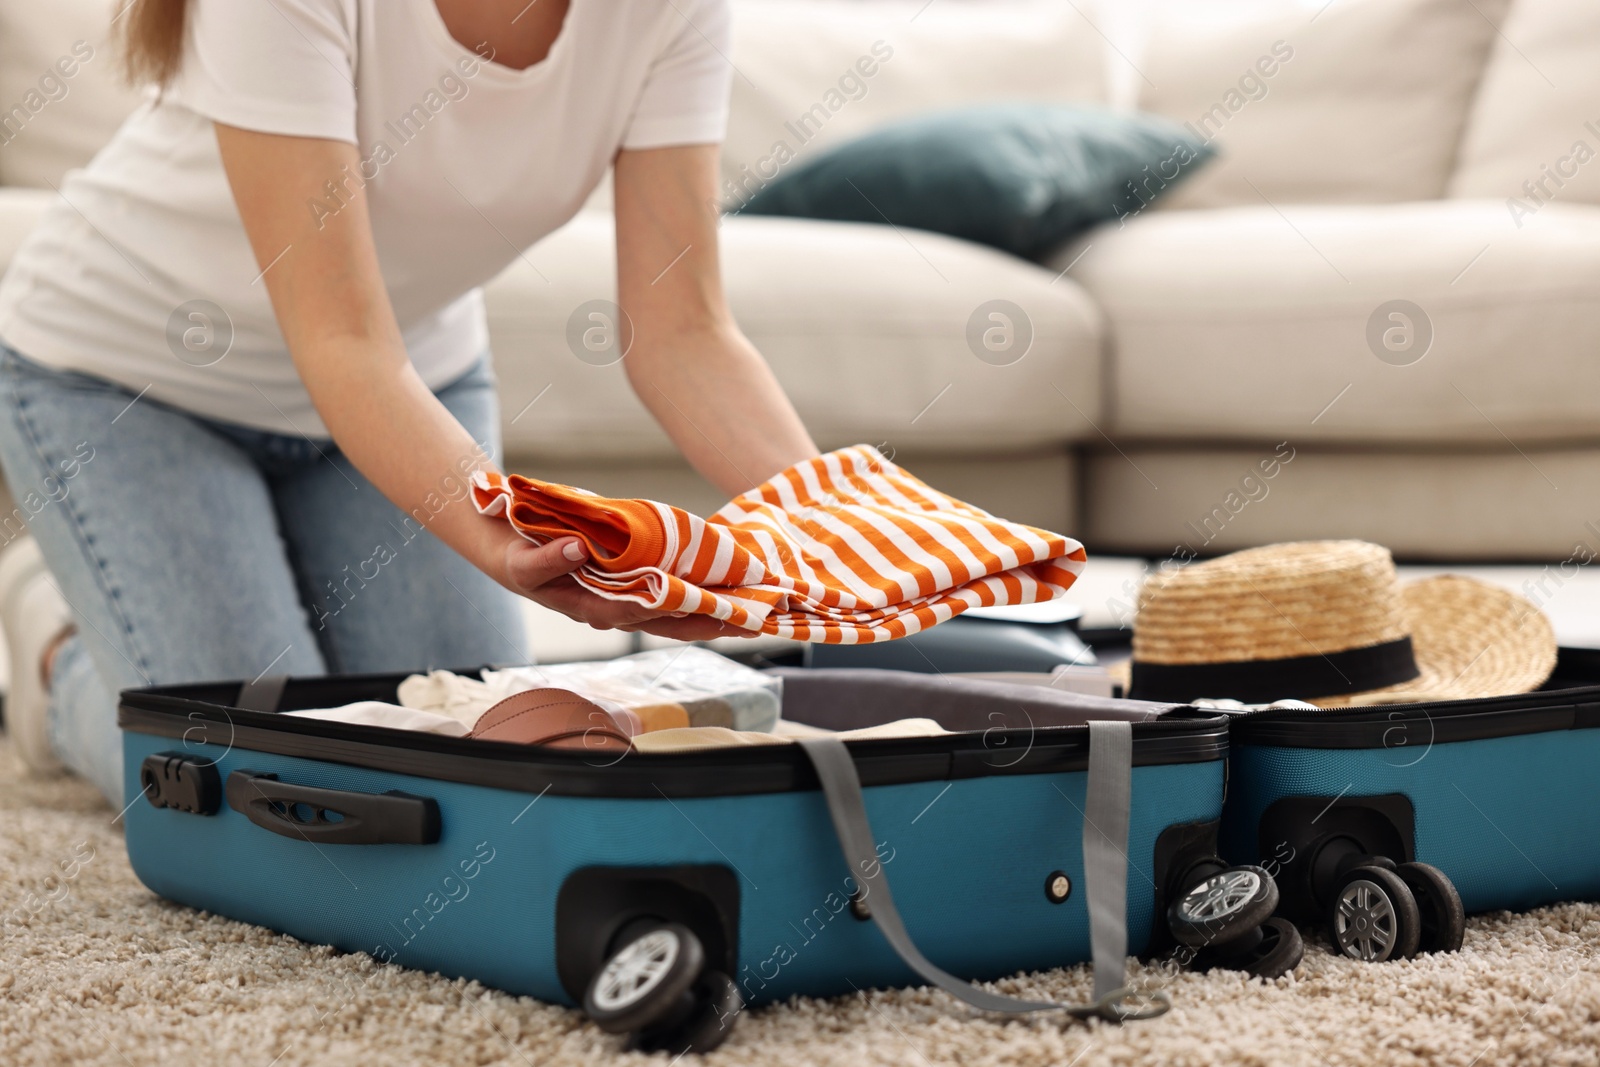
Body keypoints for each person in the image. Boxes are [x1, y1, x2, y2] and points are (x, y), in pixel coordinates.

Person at [0, 0, 817, 803]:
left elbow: (683, 333)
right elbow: (341, 342)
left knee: (479, 763)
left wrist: (840, 524)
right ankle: (62, 659)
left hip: (405, 388)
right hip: (129, 382)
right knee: (270, 785)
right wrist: (505, 538)